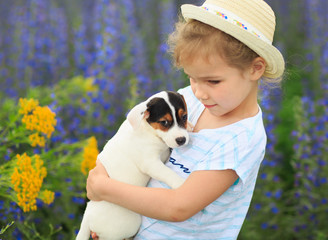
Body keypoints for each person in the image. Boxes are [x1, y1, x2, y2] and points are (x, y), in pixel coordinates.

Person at [86, 0, 285, 239]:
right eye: (192, 77)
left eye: (213, 81)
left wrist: (105, 189)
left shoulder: (241, 139)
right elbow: (133, 139)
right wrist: (113, 219)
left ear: (255, 69)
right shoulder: (191, 100)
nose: (199, 92)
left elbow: (178, 207)